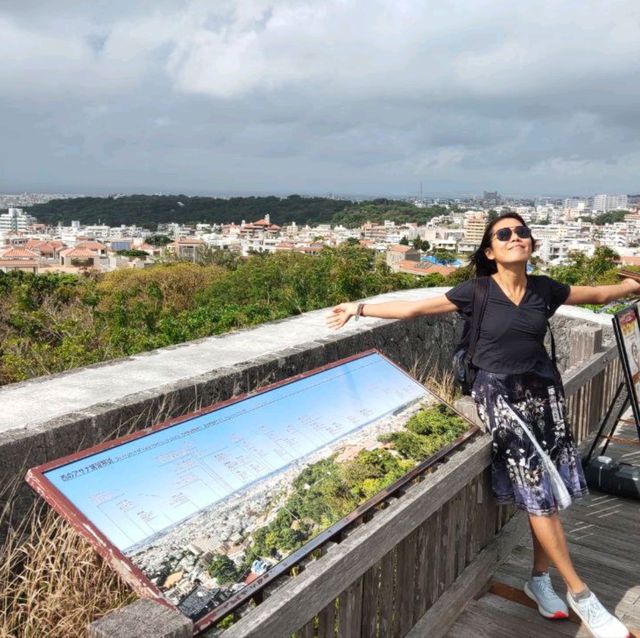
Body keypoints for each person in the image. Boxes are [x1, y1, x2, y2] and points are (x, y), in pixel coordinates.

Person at [326, 213, 637, 638]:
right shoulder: (477, 292)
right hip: (499, 397)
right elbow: (415, 307)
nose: (515, 237)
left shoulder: (545, 290)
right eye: (504, 234)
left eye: (521, 232)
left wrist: (633, 285)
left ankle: (539, 579)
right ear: (490, 251)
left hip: (543, 393)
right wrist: (357, 308)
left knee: (544, 490)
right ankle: (582, 595)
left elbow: (602, 293)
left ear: (531, 243)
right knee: (538, 494)